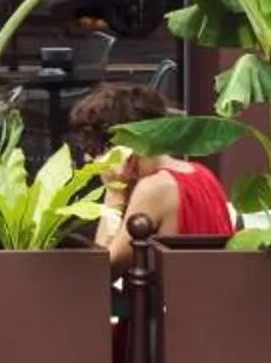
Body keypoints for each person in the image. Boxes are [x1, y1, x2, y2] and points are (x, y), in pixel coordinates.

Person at [86, 84, 235, 269]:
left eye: (98, 150)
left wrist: (114, 192)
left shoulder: (153, 188)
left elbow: (103, 270)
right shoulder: (203, 173)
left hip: (175, 296)